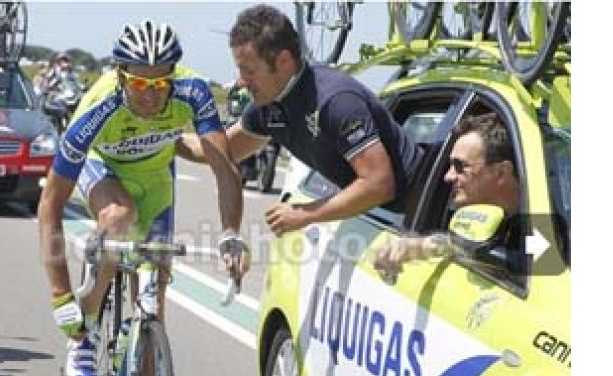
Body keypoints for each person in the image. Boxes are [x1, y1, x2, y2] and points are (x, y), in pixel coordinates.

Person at [37, 19, 248, 376]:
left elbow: (225, 168)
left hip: (155, 181)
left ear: (173, 76)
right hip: (103, 170)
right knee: (120, 217)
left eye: (160, 83)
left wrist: (231, 233)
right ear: (120, 76)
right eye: (138, 83)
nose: (151, 95)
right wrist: (60, 297)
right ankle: (85, 331)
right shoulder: (97, 108)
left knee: (151, 303)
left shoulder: (192, 92)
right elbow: (50, 206)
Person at [177, 4, 421, 236]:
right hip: (379, 221)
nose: (241, 81)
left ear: (284, 61)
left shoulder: (335, 100)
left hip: (420, 215)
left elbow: (379, 184)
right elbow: (219, 149)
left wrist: (305, 214)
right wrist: (164, 137)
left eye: (249, 71)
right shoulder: (267, 105)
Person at [373, 112, 520, 278]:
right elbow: (457, 243)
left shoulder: (537, 227)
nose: (447, 176)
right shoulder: (463, 217)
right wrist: (420, 246)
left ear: (501, 173)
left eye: (460, 166)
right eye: (450, 165)